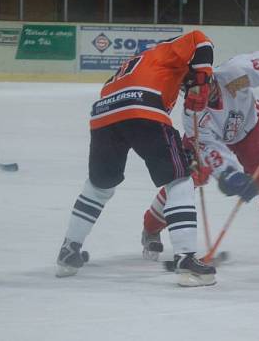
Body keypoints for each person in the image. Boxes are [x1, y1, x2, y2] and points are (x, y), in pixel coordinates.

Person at [55, 30, 217, 287]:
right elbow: (200, 39)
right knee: (180, 179)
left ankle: (68, 251)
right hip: (141, 103)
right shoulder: (167, 50)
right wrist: (201, 79)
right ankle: (186, 260)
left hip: (104, 111)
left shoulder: (138, 64)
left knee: (99, 186)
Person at [140, 51, 259, 264]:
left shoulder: (235, 76)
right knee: (184, 179)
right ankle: (150, 228)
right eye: (189, 91)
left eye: (199, 88)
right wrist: (229, 174)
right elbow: (208, 147)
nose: (197, 96)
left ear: (209, 77)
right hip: (210, 137)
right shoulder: (193, 115)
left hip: (249, 128)